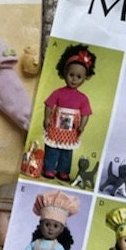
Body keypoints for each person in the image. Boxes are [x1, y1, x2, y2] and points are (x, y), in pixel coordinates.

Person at [40, 43, 97, 182]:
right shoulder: (58, 92)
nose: (74, 79)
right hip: (55, 127)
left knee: (67, 152)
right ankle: (49, 168)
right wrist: (46, 118)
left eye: (79, 76)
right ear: (64, 73)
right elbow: (49, 105)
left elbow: (85, 114)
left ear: (85, 77)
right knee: (52, 149)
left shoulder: (83, 98)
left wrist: (82, 126)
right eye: (71, 75)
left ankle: (63, 171)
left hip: (71, 131)